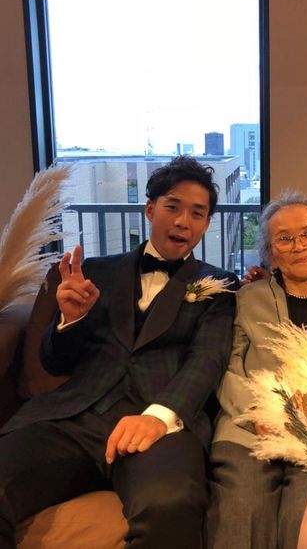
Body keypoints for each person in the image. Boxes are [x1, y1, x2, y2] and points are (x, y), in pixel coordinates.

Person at [0, 156, 239, 549]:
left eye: (197, 213)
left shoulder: (219, 285)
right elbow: (54, 362)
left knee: (171, 504)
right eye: (173, 206)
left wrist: (159, 416)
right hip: (73, 419)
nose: (183, 221)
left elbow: (208, 358)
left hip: (161, 426)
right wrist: (70, 320)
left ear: (206, 224)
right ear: (150, 209)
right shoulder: (95, 272)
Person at [206, 190, 307, 549]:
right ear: (271, 253)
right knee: (243, 506)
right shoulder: (245, 298)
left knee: (303, 515)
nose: (298, 245)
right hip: (248, 428)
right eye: (284, 238)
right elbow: (225, 365)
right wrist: (260, 412)